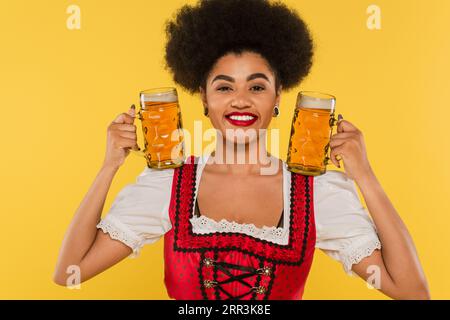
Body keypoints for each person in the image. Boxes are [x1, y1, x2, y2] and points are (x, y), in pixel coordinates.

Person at [53, 0, 430, 300]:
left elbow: (412, 292)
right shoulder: (168, 183)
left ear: (278, 96)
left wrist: (366, 177)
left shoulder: (316, 193)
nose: (240, 101)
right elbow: (71, 271)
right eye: (224, 87)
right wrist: (108, 168)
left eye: (257, 87)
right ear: (203, 98)